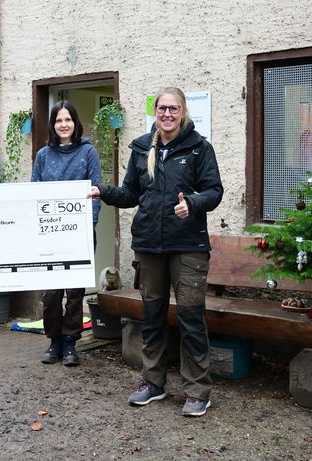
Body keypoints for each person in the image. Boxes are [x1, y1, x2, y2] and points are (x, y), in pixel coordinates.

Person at [89, 87, 223, 417]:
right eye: (162, 109)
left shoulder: (199, 149)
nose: (167, 114)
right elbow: (131, 194)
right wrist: (103, 191)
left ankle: (197, 390)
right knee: (152, 317)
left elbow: (214, 191)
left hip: (188, 246)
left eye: (173, 109)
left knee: (191, 318)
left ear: (183, 112)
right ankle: (153, 382)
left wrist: (192, 203)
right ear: (155, 112)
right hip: (149, 245)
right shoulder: (139, 149)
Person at [32, 100, 101, 366]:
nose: (64, 125)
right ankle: (54, 341)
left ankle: (71, 342)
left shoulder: (88, 152)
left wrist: (88, 226)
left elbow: (96, 192)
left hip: (79, 234)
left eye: (68, 120)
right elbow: (34, 193)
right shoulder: (42, 155)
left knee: (74, 292)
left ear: (75, 123)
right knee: (51, 293)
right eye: (59, 120)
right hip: (49, 235)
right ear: (53, 124)